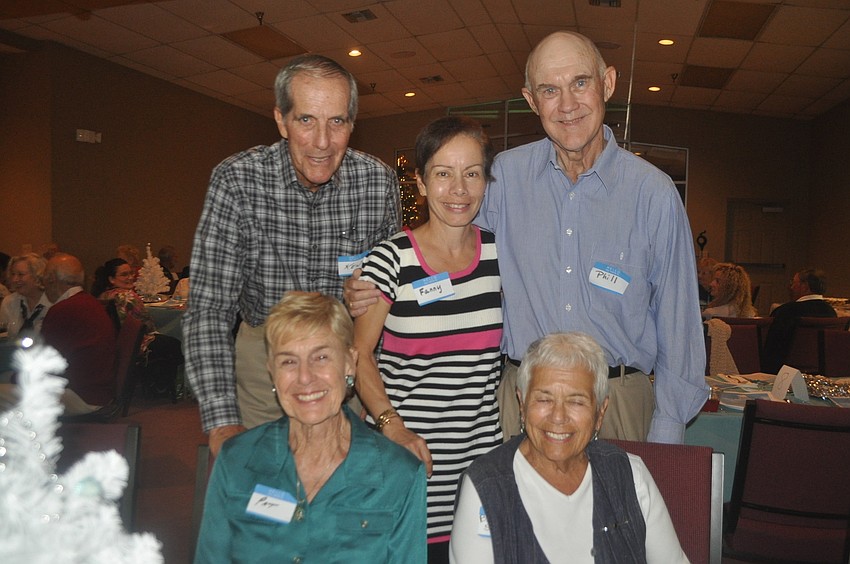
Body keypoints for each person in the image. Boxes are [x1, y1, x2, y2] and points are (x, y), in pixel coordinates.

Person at [348, 31, 708, 445]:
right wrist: (375, 281)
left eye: (580, 83)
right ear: (531, 100)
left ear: (607, 83)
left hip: (618, 405)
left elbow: (679, 324)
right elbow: (445, 240)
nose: (567, 104)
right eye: (549, 90)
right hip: (519, 403)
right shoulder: (504, 178)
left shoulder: (654, 194)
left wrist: (667, 431)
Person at [184, 53, 401, 456]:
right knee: (265, 489)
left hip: (343, 361)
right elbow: (209, 310)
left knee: (341, 494)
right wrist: (221, 420)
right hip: (264, 355)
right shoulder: (238, 180)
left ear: (352, 124)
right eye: (306, 120)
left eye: (337, 121)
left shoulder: (377, 182)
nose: (323, 142)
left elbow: (388, 303)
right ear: (281, 121)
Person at [353, 116, 502, 562]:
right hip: (405, 460)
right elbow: (358, 355)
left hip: (479, 465)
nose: (459, 189)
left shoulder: (499, 253)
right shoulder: (391, 258)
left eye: (471, 173)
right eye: (443, 173)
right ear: (420, 182)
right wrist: (391, 428)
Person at [194, 291, 426, 563]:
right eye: (289, 361)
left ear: (350, 363)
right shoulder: (236, 460)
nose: (305, 378)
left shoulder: (399, 473)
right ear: (272, 371)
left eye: (321, 357)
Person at [449, 332, 688, 564]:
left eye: (576, 401)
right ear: (522, 404)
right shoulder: (485, 486)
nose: (559, 416)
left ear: (600, 411)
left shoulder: (630, 475)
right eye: (544, 399)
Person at [93, 258, 184, 396]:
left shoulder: (103, 296)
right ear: (111, 279)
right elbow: (146, 324)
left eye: (130, 273)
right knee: (175, 343)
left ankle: (154, 383)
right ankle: (162, 387)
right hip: (135, 344)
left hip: (114, 342)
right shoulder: (127, 296)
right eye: (124, 275)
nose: (130, 277)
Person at [39, 254, 116, 414]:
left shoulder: (63, 310)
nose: (43, 285)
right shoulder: (91, 303)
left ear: (52, 279)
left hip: (80, 395)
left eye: (44, 279)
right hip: (98, 390)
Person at [762, 268, 837, 373]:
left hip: (787, 372)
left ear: (805, 286)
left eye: (793, 282)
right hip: (823, 370)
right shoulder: (831, 313)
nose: (791, 287)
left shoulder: (786, 311)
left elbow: (771, 349)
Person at [0, 253, 52, 339]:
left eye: (21, 274)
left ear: (37, 275)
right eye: (13, 274)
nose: (15, 279)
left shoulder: (53, 302)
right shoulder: (9, 302)